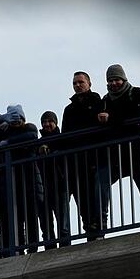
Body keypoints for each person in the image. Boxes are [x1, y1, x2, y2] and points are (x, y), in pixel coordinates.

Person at [98, 63, 140, 231]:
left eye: (117, 79)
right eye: (110, 81)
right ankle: (101, 226)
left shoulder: (137, 93)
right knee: (99, 184)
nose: (113, 83)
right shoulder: (105, 100)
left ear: (124, 79)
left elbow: (137, 117)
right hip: (120, 155)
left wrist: (111, 119)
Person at [0, 105, 43, 256]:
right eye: (13, 119)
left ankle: (33, 247)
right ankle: (19, 248)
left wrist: (8, 143)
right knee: (16, 218)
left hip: (28, 180)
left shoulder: (29, 128)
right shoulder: (5, 131)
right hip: (13, 183)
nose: (16, 122)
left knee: (30, 216)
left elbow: (31, 136)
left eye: (18, 118)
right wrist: (2, 117)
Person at [61, 71, 109, 241]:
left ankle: (99, 228)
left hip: (95, 157)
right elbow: (64, 136)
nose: (77, 85)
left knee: (97, 195)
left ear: (89, 83)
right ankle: (90, 229)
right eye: (75, 83)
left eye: (81, 82)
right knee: (82, 197)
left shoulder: (98, 101)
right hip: (76, 161)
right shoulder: (69, 109)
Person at [36, 110, 69, 249]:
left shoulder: (62, 138)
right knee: (45, 220)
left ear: (55, 122)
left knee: (62, 219)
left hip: (60, 184)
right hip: (44, 186)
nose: (47, 124)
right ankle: (49, 246)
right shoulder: (38, 143)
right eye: (44, 122)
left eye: (50, 121)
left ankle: (65, 245)